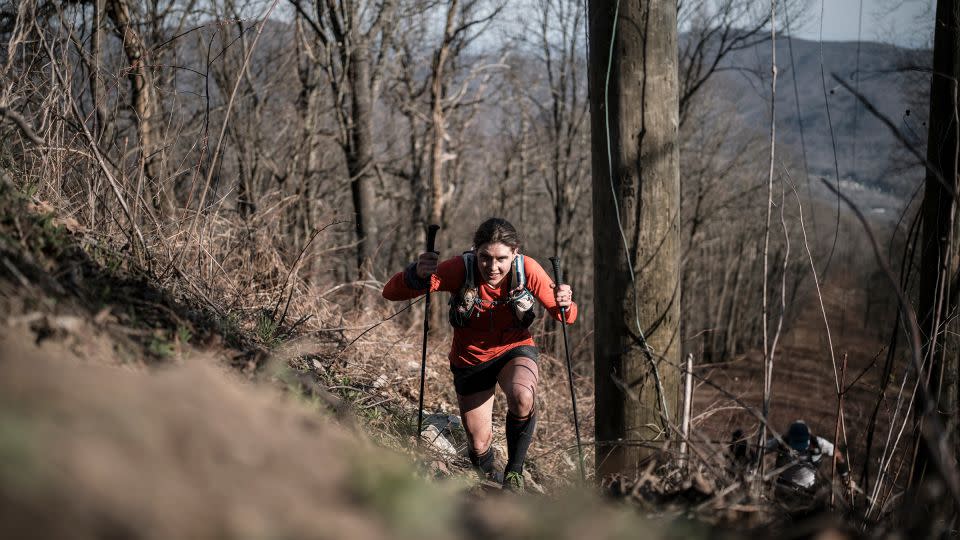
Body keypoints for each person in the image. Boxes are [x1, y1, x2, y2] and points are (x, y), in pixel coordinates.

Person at [382, 218, 577, 492]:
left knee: (522, 396)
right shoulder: (459, 269)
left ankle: (514, 474)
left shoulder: (527, 269)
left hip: (514, 349)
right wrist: (416, 273)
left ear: (515, 253)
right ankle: (489, 488)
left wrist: (565, 301)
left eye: (501, 259)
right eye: (485, 257)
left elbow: (566, 317)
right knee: (478, 444)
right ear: (475, 251)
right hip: (470, 359)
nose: (493, 267)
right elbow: (390, 292)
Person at [765, 420, 848, 492]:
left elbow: (837, 454)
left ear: (808, 437)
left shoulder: (819, 443)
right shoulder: (781, 441)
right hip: (784, 487)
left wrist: (845, 477)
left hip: (809, 489)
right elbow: (761, 449)